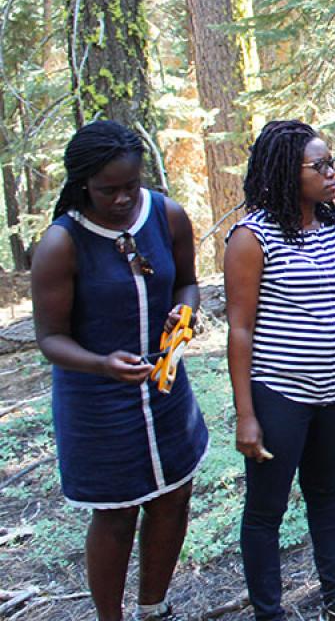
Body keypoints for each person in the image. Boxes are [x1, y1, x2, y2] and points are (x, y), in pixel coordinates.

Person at [31, 120, 208, 621]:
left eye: (131, 185)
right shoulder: (62, 244)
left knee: (175, 495)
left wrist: (185, 313)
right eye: (109, 189)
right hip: (96, 400)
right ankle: (111, 617)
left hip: (163, 384)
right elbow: (50, 339)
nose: (123, 198)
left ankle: (154, 606)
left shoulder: (167, 215)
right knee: (115, 512)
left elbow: (188, 284)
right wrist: (101, 364)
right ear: (84, 183)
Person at [224, 121, 335, 621]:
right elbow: (240, 331)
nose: (332, 172)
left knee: (326, 494)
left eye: (332, 162)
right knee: (266, 510)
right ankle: (269, 613)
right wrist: (245, 414)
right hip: (279, 395)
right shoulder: (250, 238)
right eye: (319, 166)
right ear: (284, 172)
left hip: (334, 391)